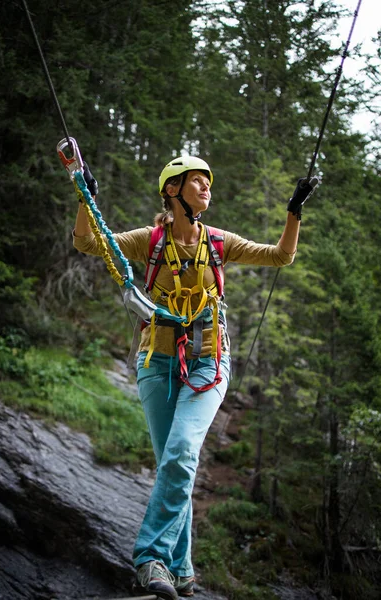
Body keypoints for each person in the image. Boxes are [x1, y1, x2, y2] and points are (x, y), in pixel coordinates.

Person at [73, 156, 317, 600]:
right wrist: (85, 196)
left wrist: (294, 209)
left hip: (208, 361)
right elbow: (89, 243)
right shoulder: (150, 240)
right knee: (174, 464)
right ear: (172, 191)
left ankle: (151, 559)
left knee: (182, 450)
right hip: (156, 362)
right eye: (197, 182)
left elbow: (281, 256)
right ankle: (182, 570)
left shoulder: (219, 242)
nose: (207, 189)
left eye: (208, 183)